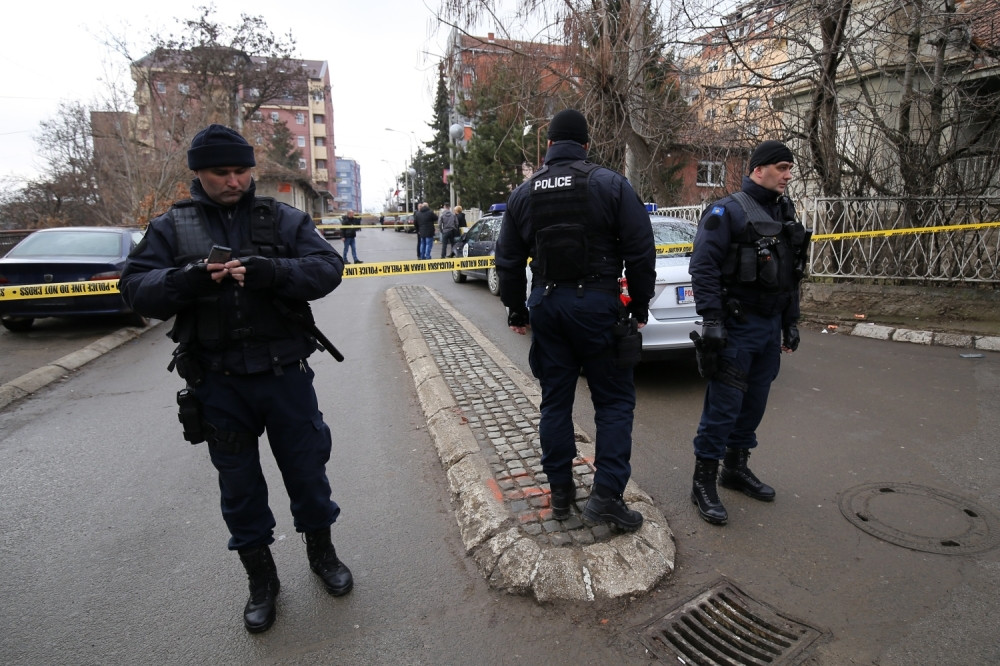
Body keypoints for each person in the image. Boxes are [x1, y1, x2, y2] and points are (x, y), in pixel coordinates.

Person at [119, 124, 353, 634]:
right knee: (240, 487)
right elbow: (134, 287)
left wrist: (273, 273)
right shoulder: (172, 227)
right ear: (198, 174)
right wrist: (184, 280)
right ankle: (261, 581)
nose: (234, 181)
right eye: (221, 172)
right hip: (218, 381)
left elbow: (327, 268)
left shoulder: (281, 217)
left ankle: (323, 554)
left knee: (307, 472)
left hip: (284, 375)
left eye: (242, 170)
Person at [495, 109, 655, 532]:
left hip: (547, 306)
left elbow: (507, 259)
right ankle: (606, 497)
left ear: (549, 145)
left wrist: (515, 308)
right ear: (585, 145)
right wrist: (639, 305)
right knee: (614, 403)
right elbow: (641, 250)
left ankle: (562, 492)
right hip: (599, 305)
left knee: (555, 402)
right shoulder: (610, 184)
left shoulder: (523, 194)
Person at [687, 139, 810, 526]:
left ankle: (735, 469)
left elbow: (790, 274)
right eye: (781, 168)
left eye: (790, 169)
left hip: (768, 326)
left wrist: (790, 322)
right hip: (737, 326)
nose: (788, 176)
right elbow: (703, 267)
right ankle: (703, 480)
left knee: (754, 404)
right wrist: (712, 321)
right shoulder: (727, 211)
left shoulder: (784, 211)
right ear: (759, 170)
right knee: (723, 407)